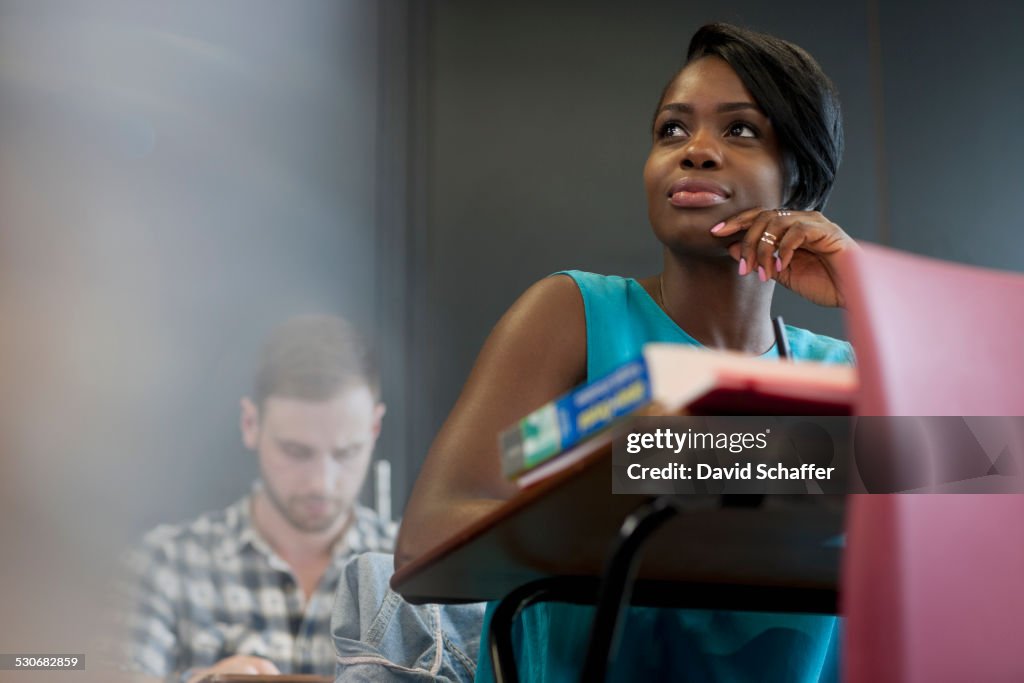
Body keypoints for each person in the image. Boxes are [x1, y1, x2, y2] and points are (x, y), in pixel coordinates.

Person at [396, 23, 856, 682]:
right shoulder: (570, 315)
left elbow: (987, 471)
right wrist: (663, 465)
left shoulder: (840, 375)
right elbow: (428, 537)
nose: (695, 150)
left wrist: (867, 292)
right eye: (672, 129)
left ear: (802, 182)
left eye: (740, 131)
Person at [121, 315, 395, 682]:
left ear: (374, 428)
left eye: (346, 453)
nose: (321, 482)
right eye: (296, 452)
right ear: (251, 424)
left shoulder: (417, 571)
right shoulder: (164, 564)